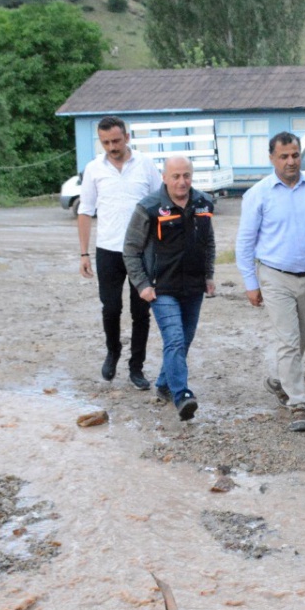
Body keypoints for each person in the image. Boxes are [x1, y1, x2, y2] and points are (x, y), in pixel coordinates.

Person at [236, 131, 305, 432]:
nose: (291, 161)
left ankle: (280, 382)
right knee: (289, 341)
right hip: (274, 278)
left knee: (301, 341)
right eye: (284, 156)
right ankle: (298, 404)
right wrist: (250, 283)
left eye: (295, 155)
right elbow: (245, 243)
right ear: (272, 159)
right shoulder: (258, 194)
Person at [123, 155, 216, 421]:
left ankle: (164, 384)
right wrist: (142, 285)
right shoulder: (149, 207)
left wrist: (209, 276)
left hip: (194, 288)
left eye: (186, 175)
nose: (182, 181)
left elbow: (208, 243)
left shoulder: (203, 203)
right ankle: (182, 396)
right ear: (164, 177)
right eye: (175, 176)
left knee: (183, 342)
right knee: (174, 339)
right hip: (161, 288)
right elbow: (130, 249)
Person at [77, 116, 162, 390]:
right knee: (111, 308)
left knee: (141, 312)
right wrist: (83, 253)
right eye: (105, 143)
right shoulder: (93, 169)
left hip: (142, 251)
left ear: (127, 136)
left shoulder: (146, 165)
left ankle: (136, 367)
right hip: (108, 250)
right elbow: (85, 210)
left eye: (115, 140)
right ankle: (112, 352)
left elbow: (160, 206)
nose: (112, 147)